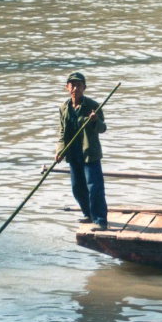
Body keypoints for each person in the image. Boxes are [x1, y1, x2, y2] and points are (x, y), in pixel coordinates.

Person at [56, 72, 108, 231]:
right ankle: (88, 214)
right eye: (72, 85)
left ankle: (100, 221)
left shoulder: (93, 105)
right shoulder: (64, 107)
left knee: (94, 188)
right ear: (67, 87)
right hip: (73, 154)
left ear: (84, 87)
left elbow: (102, 128)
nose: (75, 88)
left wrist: (95, 121)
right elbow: (62, 132)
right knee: (77, 188)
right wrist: (60, 150)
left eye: (79, 85)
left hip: (89, 154)